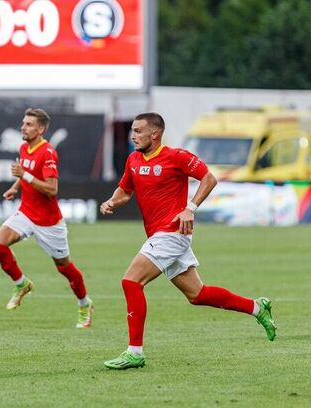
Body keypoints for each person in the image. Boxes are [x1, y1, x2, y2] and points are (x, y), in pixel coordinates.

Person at [100, 112, 276, 370]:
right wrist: (112, 201)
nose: (133, 135)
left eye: (138, 131)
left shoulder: (176, 156)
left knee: (131, 281)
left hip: (172, 232)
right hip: (158, 235)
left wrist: (190, 208)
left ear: (155, 134)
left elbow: (209, 178)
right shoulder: (134, 159)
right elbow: (126, 190)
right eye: (133, 131)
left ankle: (134, 352)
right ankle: (256, 308)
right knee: (197, 294)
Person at [0, 108, 94, 328]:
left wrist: (23, 176)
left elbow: (52, 189)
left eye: (28, 124)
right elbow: (26, 172)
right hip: (26, 213)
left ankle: (84, 304)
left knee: (64, 267)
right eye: (23, 123)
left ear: (41, 128)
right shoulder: (24, 148)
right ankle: (21, 284)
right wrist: (15, 187)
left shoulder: (47, 153)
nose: (23, 127)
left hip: (48, 223)